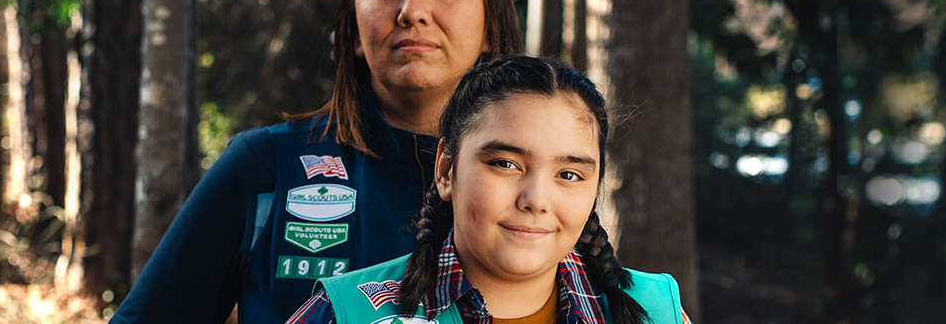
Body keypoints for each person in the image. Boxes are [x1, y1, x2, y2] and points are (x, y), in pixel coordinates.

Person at [112, 0, 523, 324]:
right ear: (353, 32)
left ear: (489, 26)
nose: (412, 11)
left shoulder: (537, 184)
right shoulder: (265, 168)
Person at [285, 56, 691, 324]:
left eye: (569, 174)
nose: (536, 199)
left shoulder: (657, 311)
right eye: (506, 164)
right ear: (446, 168)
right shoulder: (348, 311)